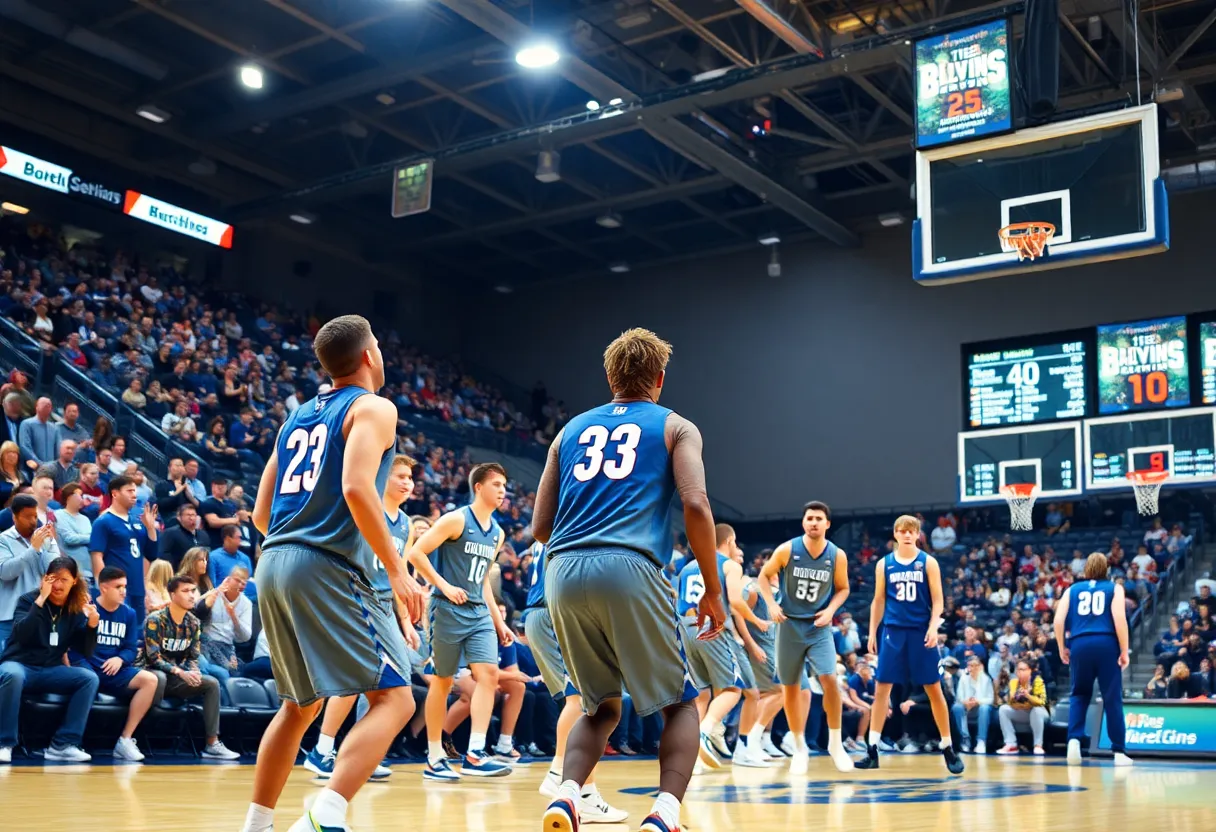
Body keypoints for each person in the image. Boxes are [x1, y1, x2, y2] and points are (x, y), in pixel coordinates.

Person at [532, 328, 727, 832]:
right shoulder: (676, 426)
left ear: (609, 376)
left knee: (598, 707)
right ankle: (664, 814)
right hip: (630, 565)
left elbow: (539, 527)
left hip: (561, 569)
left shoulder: (568, 431)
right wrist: (712, 588)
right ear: (659, 378)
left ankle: (566, 796)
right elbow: (696, 504)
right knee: (681, 704)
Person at [242, 315, 425, 832]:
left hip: (273, 561)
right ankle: (326, 814)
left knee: (299, 706)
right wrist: (397, 570)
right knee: (395, 699)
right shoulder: (374, 407)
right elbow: (356, 487)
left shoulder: (295, 417)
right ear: (368, 355)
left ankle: (257, 825)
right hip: (323, 564)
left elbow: (260, 512)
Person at [302, 454, 420, 782]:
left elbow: (399, 575)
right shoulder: (366, 507)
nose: (407, 482)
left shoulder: (407, 524)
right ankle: (322, 751)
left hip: (383, 605)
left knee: (384, 685)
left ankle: (358, 752)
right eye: (400, 476)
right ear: (383, 477)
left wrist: (406, 622)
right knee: (361, 680)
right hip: (355, 598)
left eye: (410, 478)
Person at [406, 462, 515, 779]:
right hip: (447, 609)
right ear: (478, 487)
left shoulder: (498, 533)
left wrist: (499, 622)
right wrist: (444, 586)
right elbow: (416, 554)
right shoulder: (456, 519)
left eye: (504, 486)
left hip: (478, 611)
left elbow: (483, 582)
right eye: (496, 484)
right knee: (442, 681)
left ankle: (475, 754)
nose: (503, 491)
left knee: (489, 676)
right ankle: (434, 756)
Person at [524, 540, 627, 822]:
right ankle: (559, 772)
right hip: (553, 612)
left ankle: (586, 793)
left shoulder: (550, 527)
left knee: (584, 701)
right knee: (582, 699)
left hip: (543, 612)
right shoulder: (571, 525)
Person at [856, 514, 964, 774]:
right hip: (893, 632)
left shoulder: (928, 562)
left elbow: (938, 600)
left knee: (934, 689)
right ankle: (872, 750)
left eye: (910, 531)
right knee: (882, 690)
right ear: (895, 534)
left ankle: (948, 747)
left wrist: (933, 627)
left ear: (917, 535)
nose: (906, 534)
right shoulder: (884, 564)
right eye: (902, 531)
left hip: (920, 632)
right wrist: (872, 632)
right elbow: (878, 600)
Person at [757, 501, 854, 773]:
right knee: (790, 688)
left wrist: (831, 611)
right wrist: (771, 604)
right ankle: (800, 748)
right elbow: (764, 577)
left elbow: (843, 589)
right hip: (789, 625)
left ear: (827, 524)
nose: (813, 522)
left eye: (818, 518)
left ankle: (835, 743)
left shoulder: (837, 555)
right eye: (809, 518)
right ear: (803, 522)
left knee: (830, 679)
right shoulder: (787, 550)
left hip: (818, 626)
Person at [0, 557, 100, 763]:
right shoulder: (28, 600)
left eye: (64, 579)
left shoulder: (74, 608)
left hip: (50, 670)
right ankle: (4, 743)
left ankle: (63, 744)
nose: (57, 585)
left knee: (88, 678)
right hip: (20, 664)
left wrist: (92, 625)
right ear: (45, 579)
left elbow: (85, 651)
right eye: (53, 579)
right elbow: (22, 635)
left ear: (74, 581)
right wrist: (40, 600)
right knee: (12, 675)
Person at [140, 575, 239, 760]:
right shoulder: (155, 620)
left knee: (211, 683)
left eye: (193, 591)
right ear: (172, 595)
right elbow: (153, 658)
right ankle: (140, 734)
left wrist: (194, 671)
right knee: (159, 678)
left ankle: (212, 744)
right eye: (185, 591)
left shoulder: (193, 623)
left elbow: (193, 656)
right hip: (151, 676)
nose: (192, 595)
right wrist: (180, 671)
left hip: (177, 678)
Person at [70, 566, 163, 761]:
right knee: (88, 679)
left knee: (150, 680)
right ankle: (71, 741)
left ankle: (125, 740)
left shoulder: (129, 614)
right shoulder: (87, 609)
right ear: (104, 588)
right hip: (89, 667)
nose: (124, 591)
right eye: (118, 587)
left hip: (115, 670)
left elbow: (130, 648)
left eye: (125, 586)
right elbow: (75, 645)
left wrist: (120, 659)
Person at [675, 524, 744, 769]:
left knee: (701, 695)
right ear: (730, 541)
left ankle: (692, 760)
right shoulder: (730, 565)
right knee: (733, 689)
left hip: (686, 628)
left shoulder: (686, 568)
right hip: (710, 626)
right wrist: (758, 620)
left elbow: (678, 603)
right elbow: (735, 602)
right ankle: (705, 732)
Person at [1055, 552, 1131, 766]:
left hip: (1079, 644)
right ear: (1106, 569)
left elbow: (1058, 620)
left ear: (1086, 569)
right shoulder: (1115, 588)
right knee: (1111, 698)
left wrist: (1062, 647)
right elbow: (1119, 619)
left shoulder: (1072, 589)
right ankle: (1119, 752)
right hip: (1106, 643)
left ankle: (1073, 742)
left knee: (1079, 694)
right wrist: (1124, 650)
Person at [89, 475, 158, 618]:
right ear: (115, 494)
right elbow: (97, 556)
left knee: (137, 629)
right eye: (129, 491)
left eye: (135, 491)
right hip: (116, 588)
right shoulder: (103, 521)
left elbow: (151, 554)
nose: (134, 495)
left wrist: (151, 528)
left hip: (137, 588)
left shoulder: (138, 521)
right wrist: (103, 586)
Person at [0, 494, 59, 651]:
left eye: (35, 516)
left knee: (35, 659)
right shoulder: (3, 540)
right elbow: (5, 572)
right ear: (14, 517)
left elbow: (54, 569)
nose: (33, 521)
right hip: (9, 617)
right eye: (27, 517)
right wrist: (33, 549)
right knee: (7, 661)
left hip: (38, 611)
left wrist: (50, 543)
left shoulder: (42, 538)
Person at [996, 659, 1049, 755]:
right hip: (1023, 712)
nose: (1020, 672)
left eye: (1023, 669)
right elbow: (1011, 701)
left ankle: (1038, 745)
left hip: (1040, 713)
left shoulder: (1037, 681)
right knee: (1003, 709)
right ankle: (1011, 744)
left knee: (1036, 710)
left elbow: (1042, 702)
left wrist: (1028, 696)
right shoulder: (1013, 682)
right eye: (1019, 670)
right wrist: (1015, 699)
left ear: (1030, 670)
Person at [952, 655, 994, 753]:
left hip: (980, 707)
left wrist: (977, 702)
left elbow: (990, 699)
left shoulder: (986, 679)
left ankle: (981, 741)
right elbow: (959, 697)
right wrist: (966, 702)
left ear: (980, 666)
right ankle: (965, 740)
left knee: (985, 708)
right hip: (966, 707)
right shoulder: (963, 678)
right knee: (957, 707)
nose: (973, 668)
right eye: (970, 665)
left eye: (975, 665)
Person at [53, 484, 93, 584]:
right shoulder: (58, 515)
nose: (82, 499)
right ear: (69, 497)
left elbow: (92, 541)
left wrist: (90, 538)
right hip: (71, 570)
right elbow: (69, 538)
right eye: (79, 495)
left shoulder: (85, 519)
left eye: (82, 495)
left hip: (89, 570)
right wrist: (91, 537)